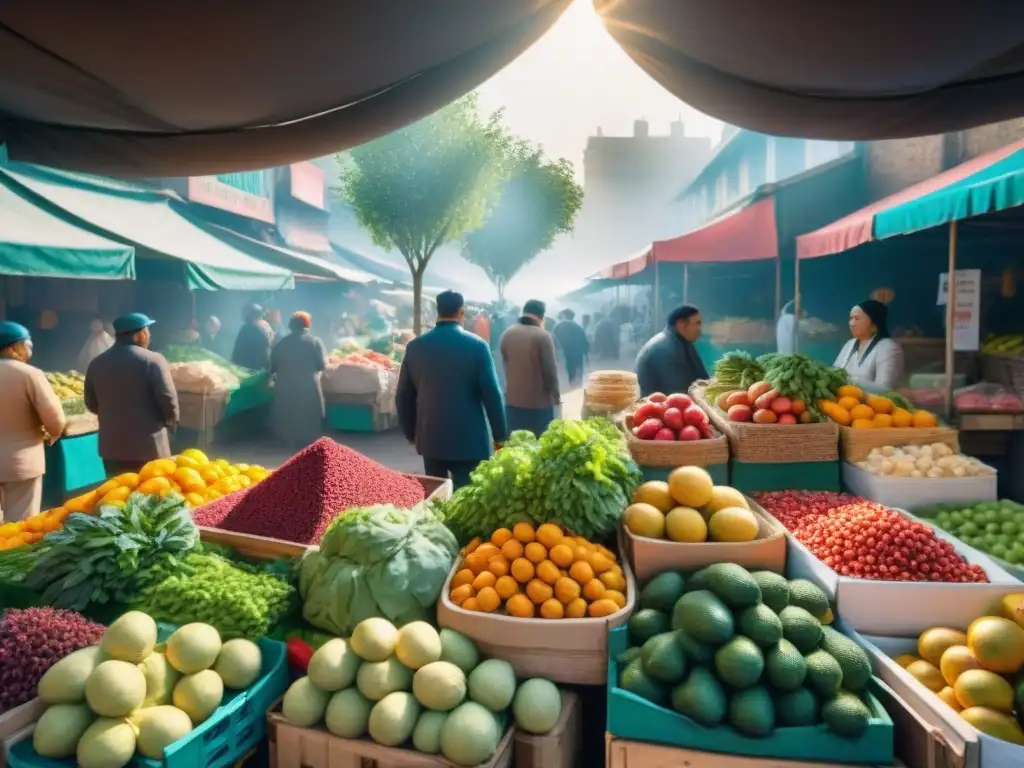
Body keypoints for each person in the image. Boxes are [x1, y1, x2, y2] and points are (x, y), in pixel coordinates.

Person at [397, 290, 507, 489]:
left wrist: (411, 433)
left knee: (437, 496)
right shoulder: (477, 346)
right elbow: (492, 396)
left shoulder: (415, 347)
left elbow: (403, 396)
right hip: (470, 441)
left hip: (431, 439)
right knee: (466, 500)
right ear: (462, 312)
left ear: (437, 312)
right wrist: (500, 440)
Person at [84, 313, 179, 477]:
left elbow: (91, 403)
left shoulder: (97, 363)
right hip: (148, 446)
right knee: (151, 496)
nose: (149, 335)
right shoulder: (153, 360)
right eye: (147, 330)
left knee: (118, 496)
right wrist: (170, 424)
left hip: (112, 447)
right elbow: (168, 401)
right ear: (139, 334)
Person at [0, 322, 65, 521]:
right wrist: (53, 435)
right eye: (26, 344)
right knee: (20, 524)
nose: (29, 349)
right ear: (13, 348)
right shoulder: (29, 374)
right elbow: (55, 418)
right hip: (21, 461)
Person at [501, 299, 561, 435]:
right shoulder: (542, 335)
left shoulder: (507, 334)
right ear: (541, 316)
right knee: (539, 446)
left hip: (512, 403)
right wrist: (556, 396)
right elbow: (550, 371)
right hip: (538, 405)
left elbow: (505, 367)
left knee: (516, 446)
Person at [270, 312, 327, 448]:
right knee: (309, 415)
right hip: (308, 386)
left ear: (291, 326)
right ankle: (309, 446)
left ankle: (289, 441)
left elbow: (272, 366)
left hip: (285, 386)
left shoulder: (282, 342)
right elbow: (322, 365)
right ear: (307, 325)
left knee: (288, 413)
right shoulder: (314, 341)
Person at [635, 304, 710, 397]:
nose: (700, 329)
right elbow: (678, 393)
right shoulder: (664, 350)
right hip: (660, 406)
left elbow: (703, 378)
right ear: (682, 325)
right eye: (697, 323)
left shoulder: (683, 342)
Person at [834, 299, 904, 393]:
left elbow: (885, 390)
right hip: (845, 402)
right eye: (851, 318)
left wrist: (852, 381)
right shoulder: (849, 344)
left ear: (874, 323)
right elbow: (835, 373)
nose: (851, 323)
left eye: (857, 318)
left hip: (875, 405)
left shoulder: (889, 348)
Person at [553, 309, 589, 385]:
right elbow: (585, 342)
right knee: (578, 376)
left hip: (564, 355)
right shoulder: (578, 327)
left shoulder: (558, 327)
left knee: (566, 376)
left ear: (563, 315)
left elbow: (554, 341)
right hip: (577, 354)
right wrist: (586, 354)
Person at [232, 303, 272, 371]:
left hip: (248, 369)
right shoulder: (266, 327)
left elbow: (238, 351)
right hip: (263, 369)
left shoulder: (247, 328)